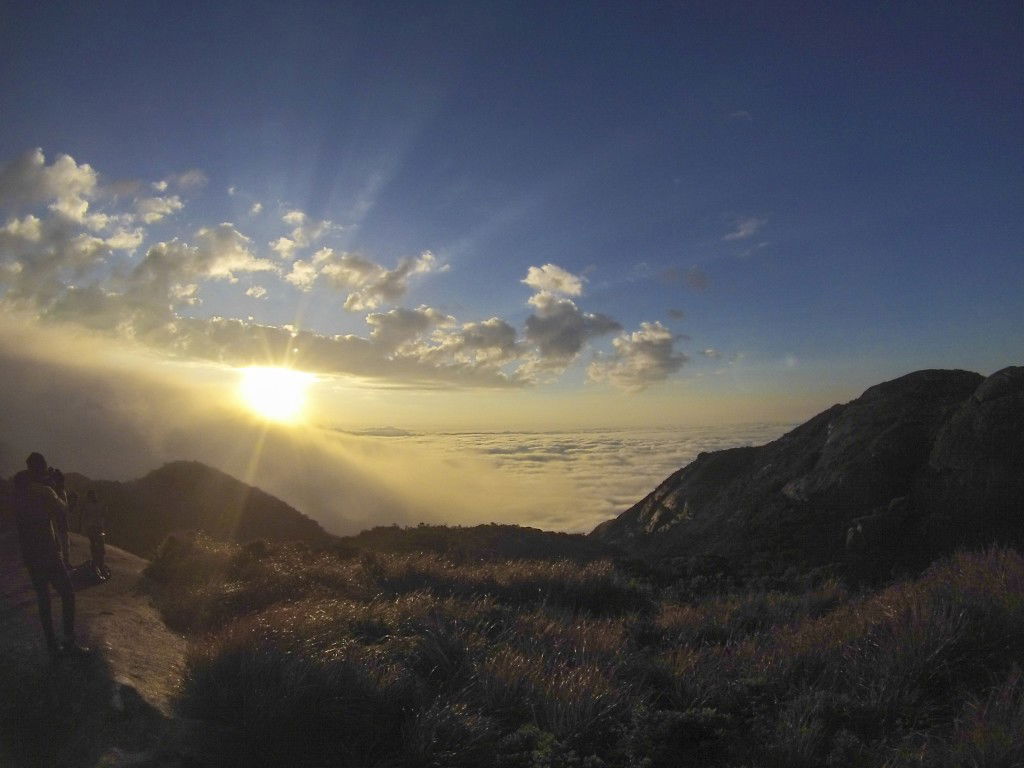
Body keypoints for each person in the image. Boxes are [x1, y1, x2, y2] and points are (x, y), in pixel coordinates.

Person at [11, 452, 87, 659]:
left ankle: (52, 645)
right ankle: (69, 641)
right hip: (48, 553)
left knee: (43, 599)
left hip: (30, 554)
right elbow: (64, 510)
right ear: (41, 468)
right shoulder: (44, 491)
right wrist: (60, 488)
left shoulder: (18, 491)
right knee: (67, 594)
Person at [80, 489, 110, 580]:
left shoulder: (88, 505)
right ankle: (99, 564)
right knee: (98, 545)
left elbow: (84, 517)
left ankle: (99, 564)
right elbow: (105, 515)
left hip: (94, 528)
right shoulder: (98, 504)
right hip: (96, 528)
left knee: (97, 545)